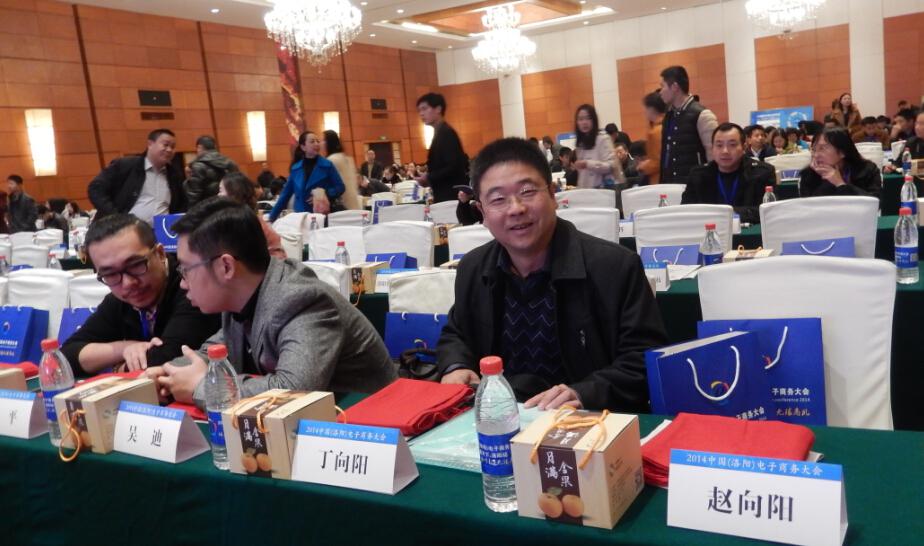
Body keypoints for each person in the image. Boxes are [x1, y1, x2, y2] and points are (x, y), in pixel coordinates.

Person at [436, 137, 668, 412]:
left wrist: (584, 393)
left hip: (587, 421)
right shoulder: (473, 268)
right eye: (498, 199)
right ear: (482, 212)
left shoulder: (615, 267)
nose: (516, 208)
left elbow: (643, 360)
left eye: (527, 191)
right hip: (500, 419)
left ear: (553, 195)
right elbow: (456, 333)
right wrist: (455, 365)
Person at [146, 198, 396, 407]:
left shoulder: (302, 300)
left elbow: (294, 390)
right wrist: (168, 375)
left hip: (369, 426)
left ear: (226, 267)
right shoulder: (243, 295)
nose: (182, 283)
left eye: (186, 269)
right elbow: (211, 353)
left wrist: (204, 388)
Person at [60, 214, 220, 375]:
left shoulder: (191, 288)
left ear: (160, 254)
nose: (128, 283)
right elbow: (66, 357)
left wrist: (118, 368)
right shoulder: (119, 300)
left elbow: (169, 359)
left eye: (135, 265)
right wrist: (125, 348)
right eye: (110, 274)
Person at [681, 123, 776, 224]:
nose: (725, 151)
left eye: (732, 145)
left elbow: (769, 211)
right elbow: (686, 211)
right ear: (712, 148)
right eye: (719, 145)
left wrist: (727, 214)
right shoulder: (698, 175)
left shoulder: (762, 172)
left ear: (744, 147)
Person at [88, 129, 186, 224]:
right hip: (123, 230)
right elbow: (95, 189)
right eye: (165, 145)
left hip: (160, 232)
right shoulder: (126, 165)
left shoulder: (174, 175)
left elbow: (181, 205)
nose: (169, 150)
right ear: (150, 144)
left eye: (173, 147)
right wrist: (116, 217)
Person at [659, 66, 718, 184]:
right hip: (672, 185)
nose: (660, 92)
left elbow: (713, 155)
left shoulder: (703, 115)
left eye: (662, 86)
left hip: (697, 185)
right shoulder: (669, 116)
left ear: (674, 87)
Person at [269, 130, 345, 221]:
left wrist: (324, 194)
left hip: (321, 215)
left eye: (318, 141)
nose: (316, 144)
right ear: (303, 147)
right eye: (312, 142)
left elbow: (340, 187)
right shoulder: (295, 169)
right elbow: (285, 195)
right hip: (300, 217)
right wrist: (271, 218)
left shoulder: (327, 165)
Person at [218, 172, 285, 259]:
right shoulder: (239, 218)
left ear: (233, 194)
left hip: (271, 263)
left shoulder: (246, 222)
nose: (218, 195)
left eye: (220, 190)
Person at [416, 93, 468, 203]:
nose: (421, 113)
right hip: (446, 194)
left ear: (438, 109)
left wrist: (429, 178)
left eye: (424, 109)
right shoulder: (440, 132)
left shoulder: (446, 133)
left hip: (451, 196)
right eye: (419, 110)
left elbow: (453, 166)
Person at [799, 127, 881, 198]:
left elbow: (874, 203)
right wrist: (827, 180)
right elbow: (809, 207)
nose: (816, 155)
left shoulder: (867, 170)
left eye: (822, 149)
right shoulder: (808, 174)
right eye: (814, 149)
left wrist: (840, 184)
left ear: (842, 152)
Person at [573, 104, 622, 189]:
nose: (584, 122)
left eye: (588, 118)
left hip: (605, 189)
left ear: (594, 120)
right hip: (588, 190)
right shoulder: (580, 144)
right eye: (580, 119)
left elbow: (610, 166)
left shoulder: (603, 138)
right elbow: (583, 175)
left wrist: (587, 164)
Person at [184, 135, 238, 208]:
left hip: (208, 209)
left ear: (199, 147)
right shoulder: (230, 163)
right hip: (230, 208)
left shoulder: (198, 166)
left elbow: (194, 196)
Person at [321, 130, 361, 210]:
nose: (321, 143)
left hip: (341, 204)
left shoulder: (331, 160)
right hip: (353, 201)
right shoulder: (347, 158)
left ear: (329, 142)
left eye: (323, 140)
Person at [637, 91, 667, 185]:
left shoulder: (656, 132)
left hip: (658, 180)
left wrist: (642, 166)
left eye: (646, 108)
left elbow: (658, 162)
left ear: (651, 109)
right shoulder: (666, 125)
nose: (644, 111)